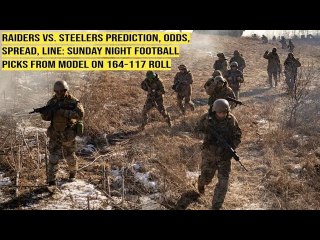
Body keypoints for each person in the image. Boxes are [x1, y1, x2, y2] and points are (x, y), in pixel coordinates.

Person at [195, 99, 242, 210]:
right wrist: (207, 136)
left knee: (223, 182)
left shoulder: (231, 120)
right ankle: (200, 182)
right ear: (215, 111)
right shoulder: (206, 118)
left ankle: (216, 206)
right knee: (206, 179)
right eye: (219, 112)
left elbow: (238, 136)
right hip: (209, 154)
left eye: (224, 113)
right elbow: (196, 131)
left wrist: (231, 149)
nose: (221, 115)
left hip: (224, 156)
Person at [40, 80, 84, 186]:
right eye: (57, 91)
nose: (59, 93)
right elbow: (46, 118)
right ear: (54, 91)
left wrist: (63, 112)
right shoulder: (52, 102)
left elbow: (80, 114)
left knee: (70, 156)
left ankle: (72, 175)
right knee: (53, 158)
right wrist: (45, 113)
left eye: (62, 91)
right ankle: (51, 181)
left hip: (68, 134)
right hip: (55, 133)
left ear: (66, 90)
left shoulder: (73, 101)